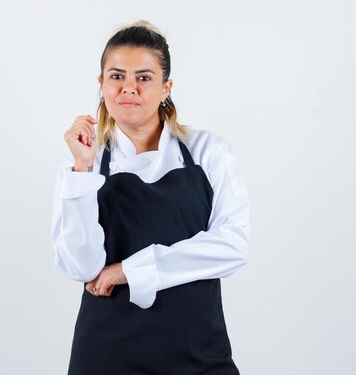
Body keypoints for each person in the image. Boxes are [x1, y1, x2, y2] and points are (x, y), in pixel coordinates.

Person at [50, 20, 251, 375]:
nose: (129, 88)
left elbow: (233, 245)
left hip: (199, 355)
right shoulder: (83, 163)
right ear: (101, 85)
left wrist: (129, 270)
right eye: (116, 77)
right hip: (106, 355)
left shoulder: (208, 152)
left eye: (143, 77)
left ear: (165, 88)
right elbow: (81, 267)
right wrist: (82, 171)